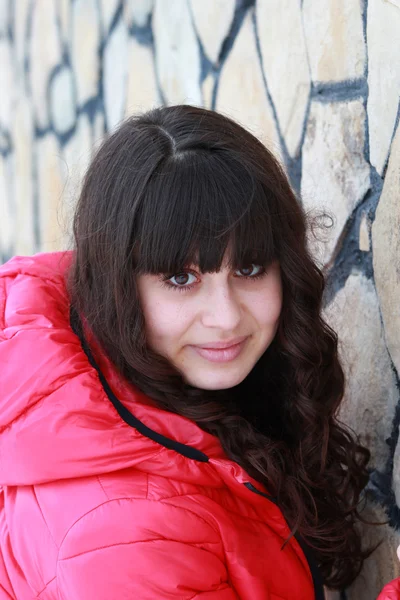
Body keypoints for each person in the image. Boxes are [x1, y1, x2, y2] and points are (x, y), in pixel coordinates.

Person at [0, 105, 398, 599]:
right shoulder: (123, 537)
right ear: (117, 286)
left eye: (250, 268)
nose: (226, 316)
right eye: (181, 278)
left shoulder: (134, 369)